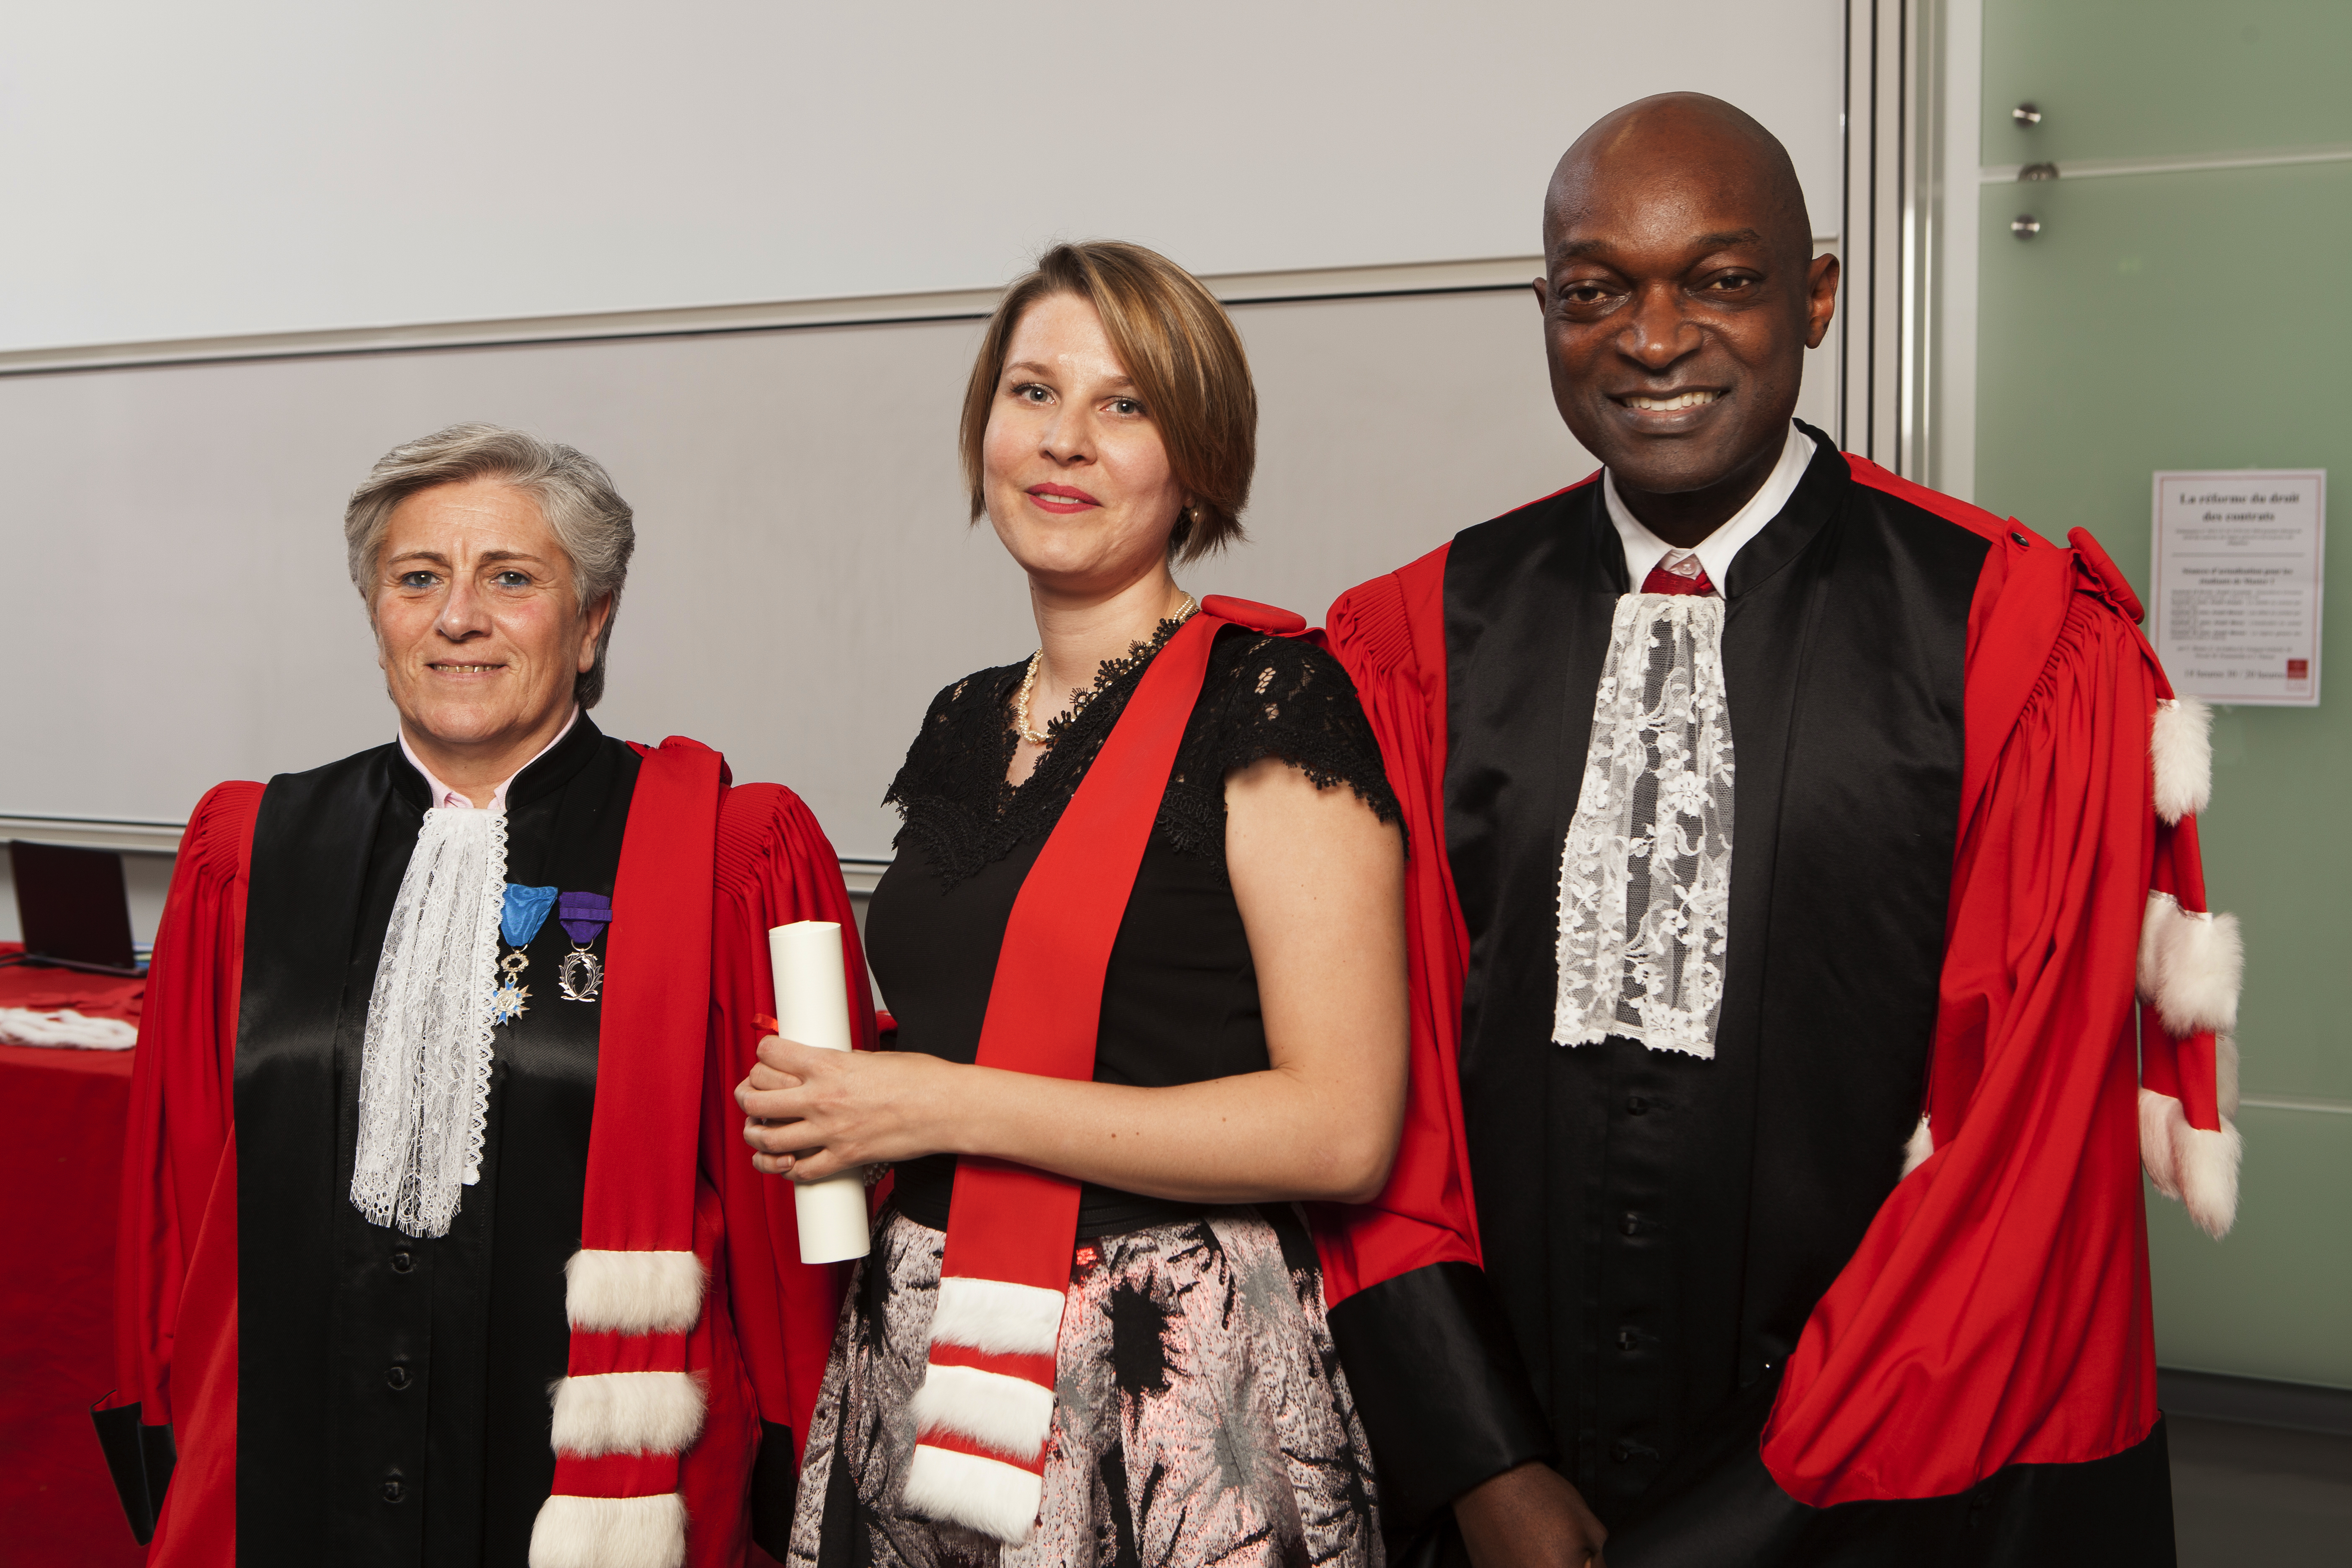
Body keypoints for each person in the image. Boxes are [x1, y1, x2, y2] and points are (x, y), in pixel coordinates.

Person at [1318, 95, 2240, 1565]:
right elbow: (1380, 1097)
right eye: (1597, 289)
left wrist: (1755, 1524)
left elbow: (2020, 1162)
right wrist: (1481, 1459)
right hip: (1500, 1488)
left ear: (1816, 293)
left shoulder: (2015, 645)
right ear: (1547, 311)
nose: (1656, 336)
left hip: (1885, 1499)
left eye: (1725, 280)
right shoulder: (1416, 642)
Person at [735, 241, 1409, 1566]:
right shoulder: (964, 718)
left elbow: (1341, 1129)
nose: (1066, 442)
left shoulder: (1270, 701)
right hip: (926, 1344)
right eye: (1032, 393)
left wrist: (936, 1101)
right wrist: (846, 1111)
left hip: (1161, 1358)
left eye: (1126, 404)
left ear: (1199, 458)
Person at [101, 425, 871, 1568]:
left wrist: (805, 1486)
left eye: (511, 579)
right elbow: (180, 1214)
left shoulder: (723, 856)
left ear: (594, 618)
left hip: (597, 1494)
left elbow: (791, 1252)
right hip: (292, 1475)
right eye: (419, 580)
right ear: (377, 614)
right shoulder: (249, 856)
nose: (459, 617)